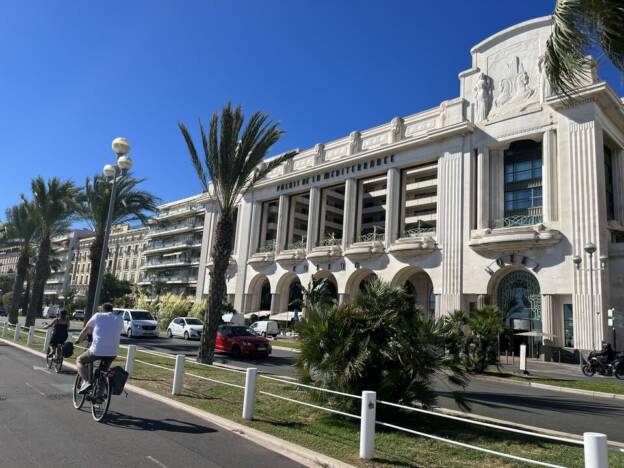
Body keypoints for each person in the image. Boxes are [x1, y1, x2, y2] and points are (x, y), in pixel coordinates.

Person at [75, 303, 123, 394]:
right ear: (111, 310)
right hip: (112, 352)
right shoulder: (119, 318)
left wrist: (79, 339)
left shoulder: (97, 316)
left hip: (97, 350)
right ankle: (99, 396)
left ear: (102, 310)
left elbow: (86, 329)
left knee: (79, 360)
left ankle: (87, 382)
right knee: (103, 372)